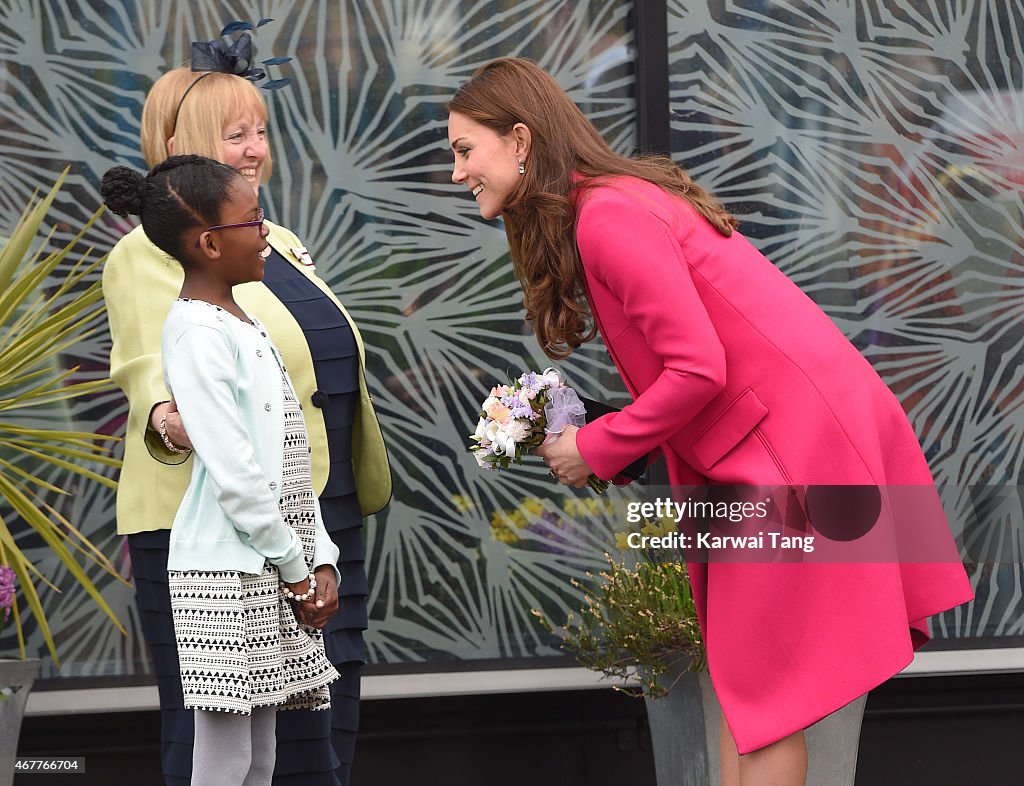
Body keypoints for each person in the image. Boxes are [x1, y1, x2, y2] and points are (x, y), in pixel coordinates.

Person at [446, 58, 974, 786]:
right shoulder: (608, 207)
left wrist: (596, 446)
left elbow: (698, 370)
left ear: (521, 139)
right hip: (771, 450)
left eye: (464, 149)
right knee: (747, 695)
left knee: (765, 701)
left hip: (790, 454)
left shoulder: (608, 217)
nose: (456, 171)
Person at [102, 65, 391, 786]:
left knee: (325, 732)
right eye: (236, 135)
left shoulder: (276, 240)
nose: (257, 148)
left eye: (261, 131)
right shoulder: (149, 253)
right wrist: (181, 421)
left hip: (322, 515)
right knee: (232, 747)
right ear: (181, 144)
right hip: (221, 532)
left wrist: (313, 544)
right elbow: (153, 383)